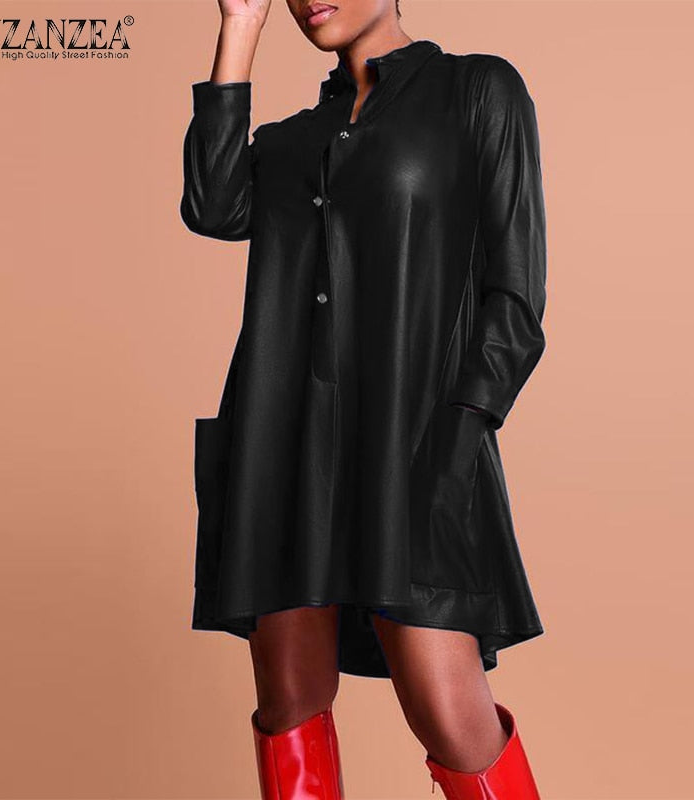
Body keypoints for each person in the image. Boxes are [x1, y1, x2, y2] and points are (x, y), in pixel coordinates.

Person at [179, 0, 548, 798]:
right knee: (289, 704)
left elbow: (515, 300)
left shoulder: (477, 93)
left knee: (447, 711)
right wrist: (238, 27)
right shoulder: (289, 142)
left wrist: (458, 439)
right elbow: (213, 204)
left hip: (416, 446)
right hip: (282, 447)